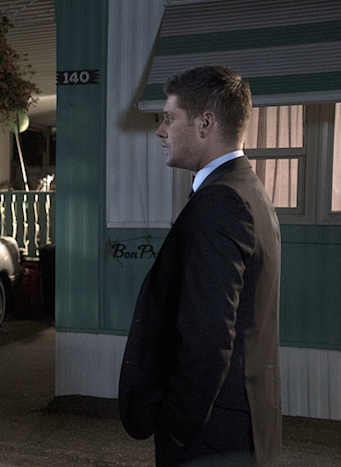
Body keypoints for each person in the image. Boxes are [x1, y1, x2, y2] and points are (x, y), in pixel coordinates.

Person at [118, 66, 282, 466]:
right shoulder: (248, 189)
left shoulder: (220, 202)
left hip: (212, 439)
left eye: (169, 118)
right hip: (240, 428)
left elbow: (208, 339)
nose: (160, 131)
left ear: (205, 123)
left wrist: (177, 430)